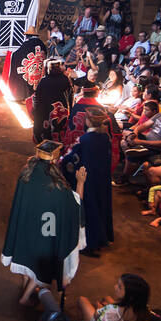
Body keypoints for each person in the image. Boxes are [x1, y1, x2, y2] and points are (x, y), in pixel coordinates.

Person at [1, 141, 85, 305]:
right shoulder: (57, 185)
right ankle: (25, 298)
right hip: (47, 228)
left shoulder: (26, 172)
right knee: (46, 267)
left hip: (27, 224)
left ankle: (25, 285)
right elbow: (75, 207)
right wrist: (80, 182)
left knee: (28, 258)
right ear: (54, 160)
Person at [62, 107, 113, 257]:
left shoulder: (84, 140)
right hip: (102, 179)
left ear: (88, 120)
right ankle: (102, 238)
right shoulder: (105, 138)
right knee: (101, 205)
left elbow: (70, 158)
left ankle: (89, 243)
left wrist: (61, 162)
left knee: (88, 209)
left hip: (86, 180)